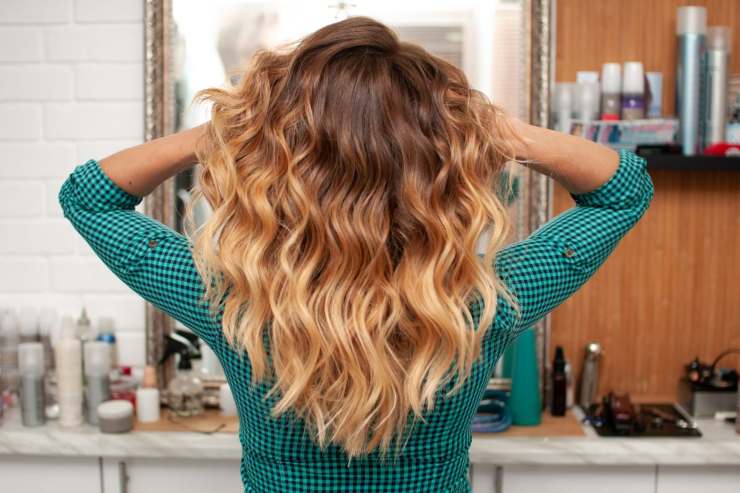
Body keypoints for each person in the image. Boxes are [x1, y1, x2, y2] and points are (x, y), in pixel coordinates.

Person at [59, 16, 653, 493]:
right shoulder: (482, 303)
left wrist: (234, 128)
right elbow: (622, 190)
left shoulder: (230, 298)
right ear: (433, 170)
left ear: (287, 166)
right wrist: (486, 128)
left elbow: (88, 198)